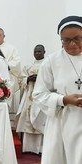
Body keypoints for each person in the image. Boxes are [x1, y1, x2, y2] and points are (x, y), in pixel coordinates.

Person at [32, 16, 82, 163]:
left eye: (77, 38)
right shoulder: (52, 61)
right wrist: (63, 99)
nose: (72, 44)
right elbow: (39, 94)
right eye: (66, 40)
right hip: (61, 121)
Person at [16, 44, 46, 154]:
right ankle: (27, 148)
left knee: (40, 118)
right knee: (26, 118)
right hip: (29, 96)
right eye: (35, 51)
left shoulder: (47, 65)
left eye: (39, 51)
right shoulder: (28, 66)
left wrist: (39, 79)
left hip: (42, 97)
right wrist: (28, 78)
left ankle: (40, 149)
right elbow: (21, 79)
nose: (37, 53)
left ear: (44, 52)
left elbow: (50, 80)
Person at [0, 28, 21, 113]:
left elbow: (17, 62)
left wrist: (5, 65)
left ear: (4, 36)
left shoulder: (11, 48)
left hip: (7, 78)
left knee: (4, 104)